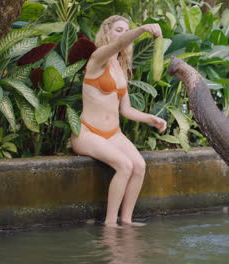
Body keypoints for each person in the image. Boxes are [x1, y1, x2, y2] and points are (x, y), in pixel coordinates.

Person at [71, 15, 166, 227]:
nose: (123, 35)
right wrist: (141, 29)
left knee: (139, 165)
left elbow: (126, 109)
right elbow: (121, 43)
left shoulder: (120, 66)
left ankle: (126, 219)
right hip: (88, 133)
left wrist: (151, 119)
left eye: (126, 30)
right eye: (118, 30)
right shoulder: (98, 57)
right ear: (107, 32)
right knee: (124, 165)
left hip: (113, 134)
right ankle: (110, 224)